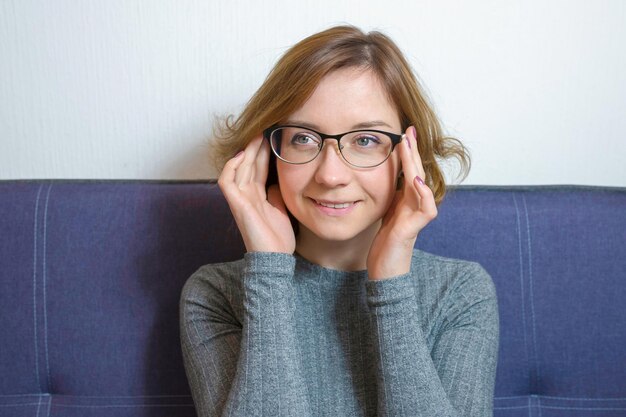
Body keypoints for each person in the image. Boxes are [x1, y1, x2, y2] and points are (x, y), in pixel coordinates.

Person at [180, 25, 499, 417]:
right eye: (303, 138)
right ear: (265, 153)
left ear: (407, 157)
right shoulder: (216, 295)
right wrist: (269, 273)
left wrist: (391, 285)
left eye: (365, 140)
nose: (331, 176)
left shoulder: (460, 293)